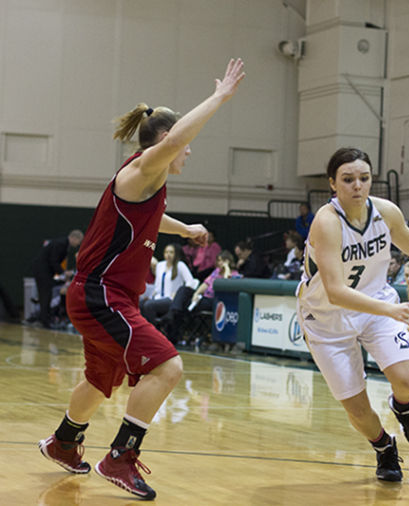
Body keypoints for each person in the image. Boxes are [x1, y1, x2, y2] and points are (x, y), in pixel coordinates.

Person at [37, 58, 245, 500]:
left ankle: (64, 442)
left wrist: (185, 228)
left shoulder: (146, 182)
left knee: (99, 382)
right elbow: (182, 137)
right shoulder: (141, 169)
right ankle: (120, 457)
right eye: (182, 146)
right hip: (102, 295)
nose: (189, 152)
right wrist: (220, 97)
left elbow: (150, 218)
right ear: (167, 142)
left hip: (104, 296)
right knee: (168, 365)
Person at [296, 147, 409, 483]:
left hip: (375, 305)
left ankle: (404, 407)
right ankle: (384, 447)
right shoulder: (327, 222)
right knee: (357, 409)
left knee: (407, 380)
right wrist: (394, 309)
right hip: (327, 318)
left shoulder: (385, 213)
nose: (357, 186)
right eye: (348, 180)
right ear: (333, 184)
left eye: (364, 178)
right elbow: (336, 291)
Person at [31, 229, 84, 328]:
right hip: (42, 271)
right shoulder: (61, 244)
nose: (78, 245)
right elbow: (53, 261)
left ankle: (44, 318)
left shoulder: (63, 244)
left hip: (45, 272)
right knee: (45, 295)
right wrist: (63, 273)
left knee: (47, 294)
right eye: (78, 242)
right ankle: (44, 320)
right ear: (74, 238)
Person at [139, 243, 196, 327]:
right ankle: (143, 329)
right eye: (166, 252)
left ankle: (154, 330)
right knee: (140, 304)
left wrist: (178, 294)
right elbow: (157, 284)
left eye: (171, 252)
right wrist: (151, 295)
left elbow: (191, 283)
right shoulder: (160, 265)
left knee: (149, 305)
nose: (168, 255)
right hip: (157, 297)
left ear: (176, 254)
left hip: (171, 299)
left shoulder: (180, 265)